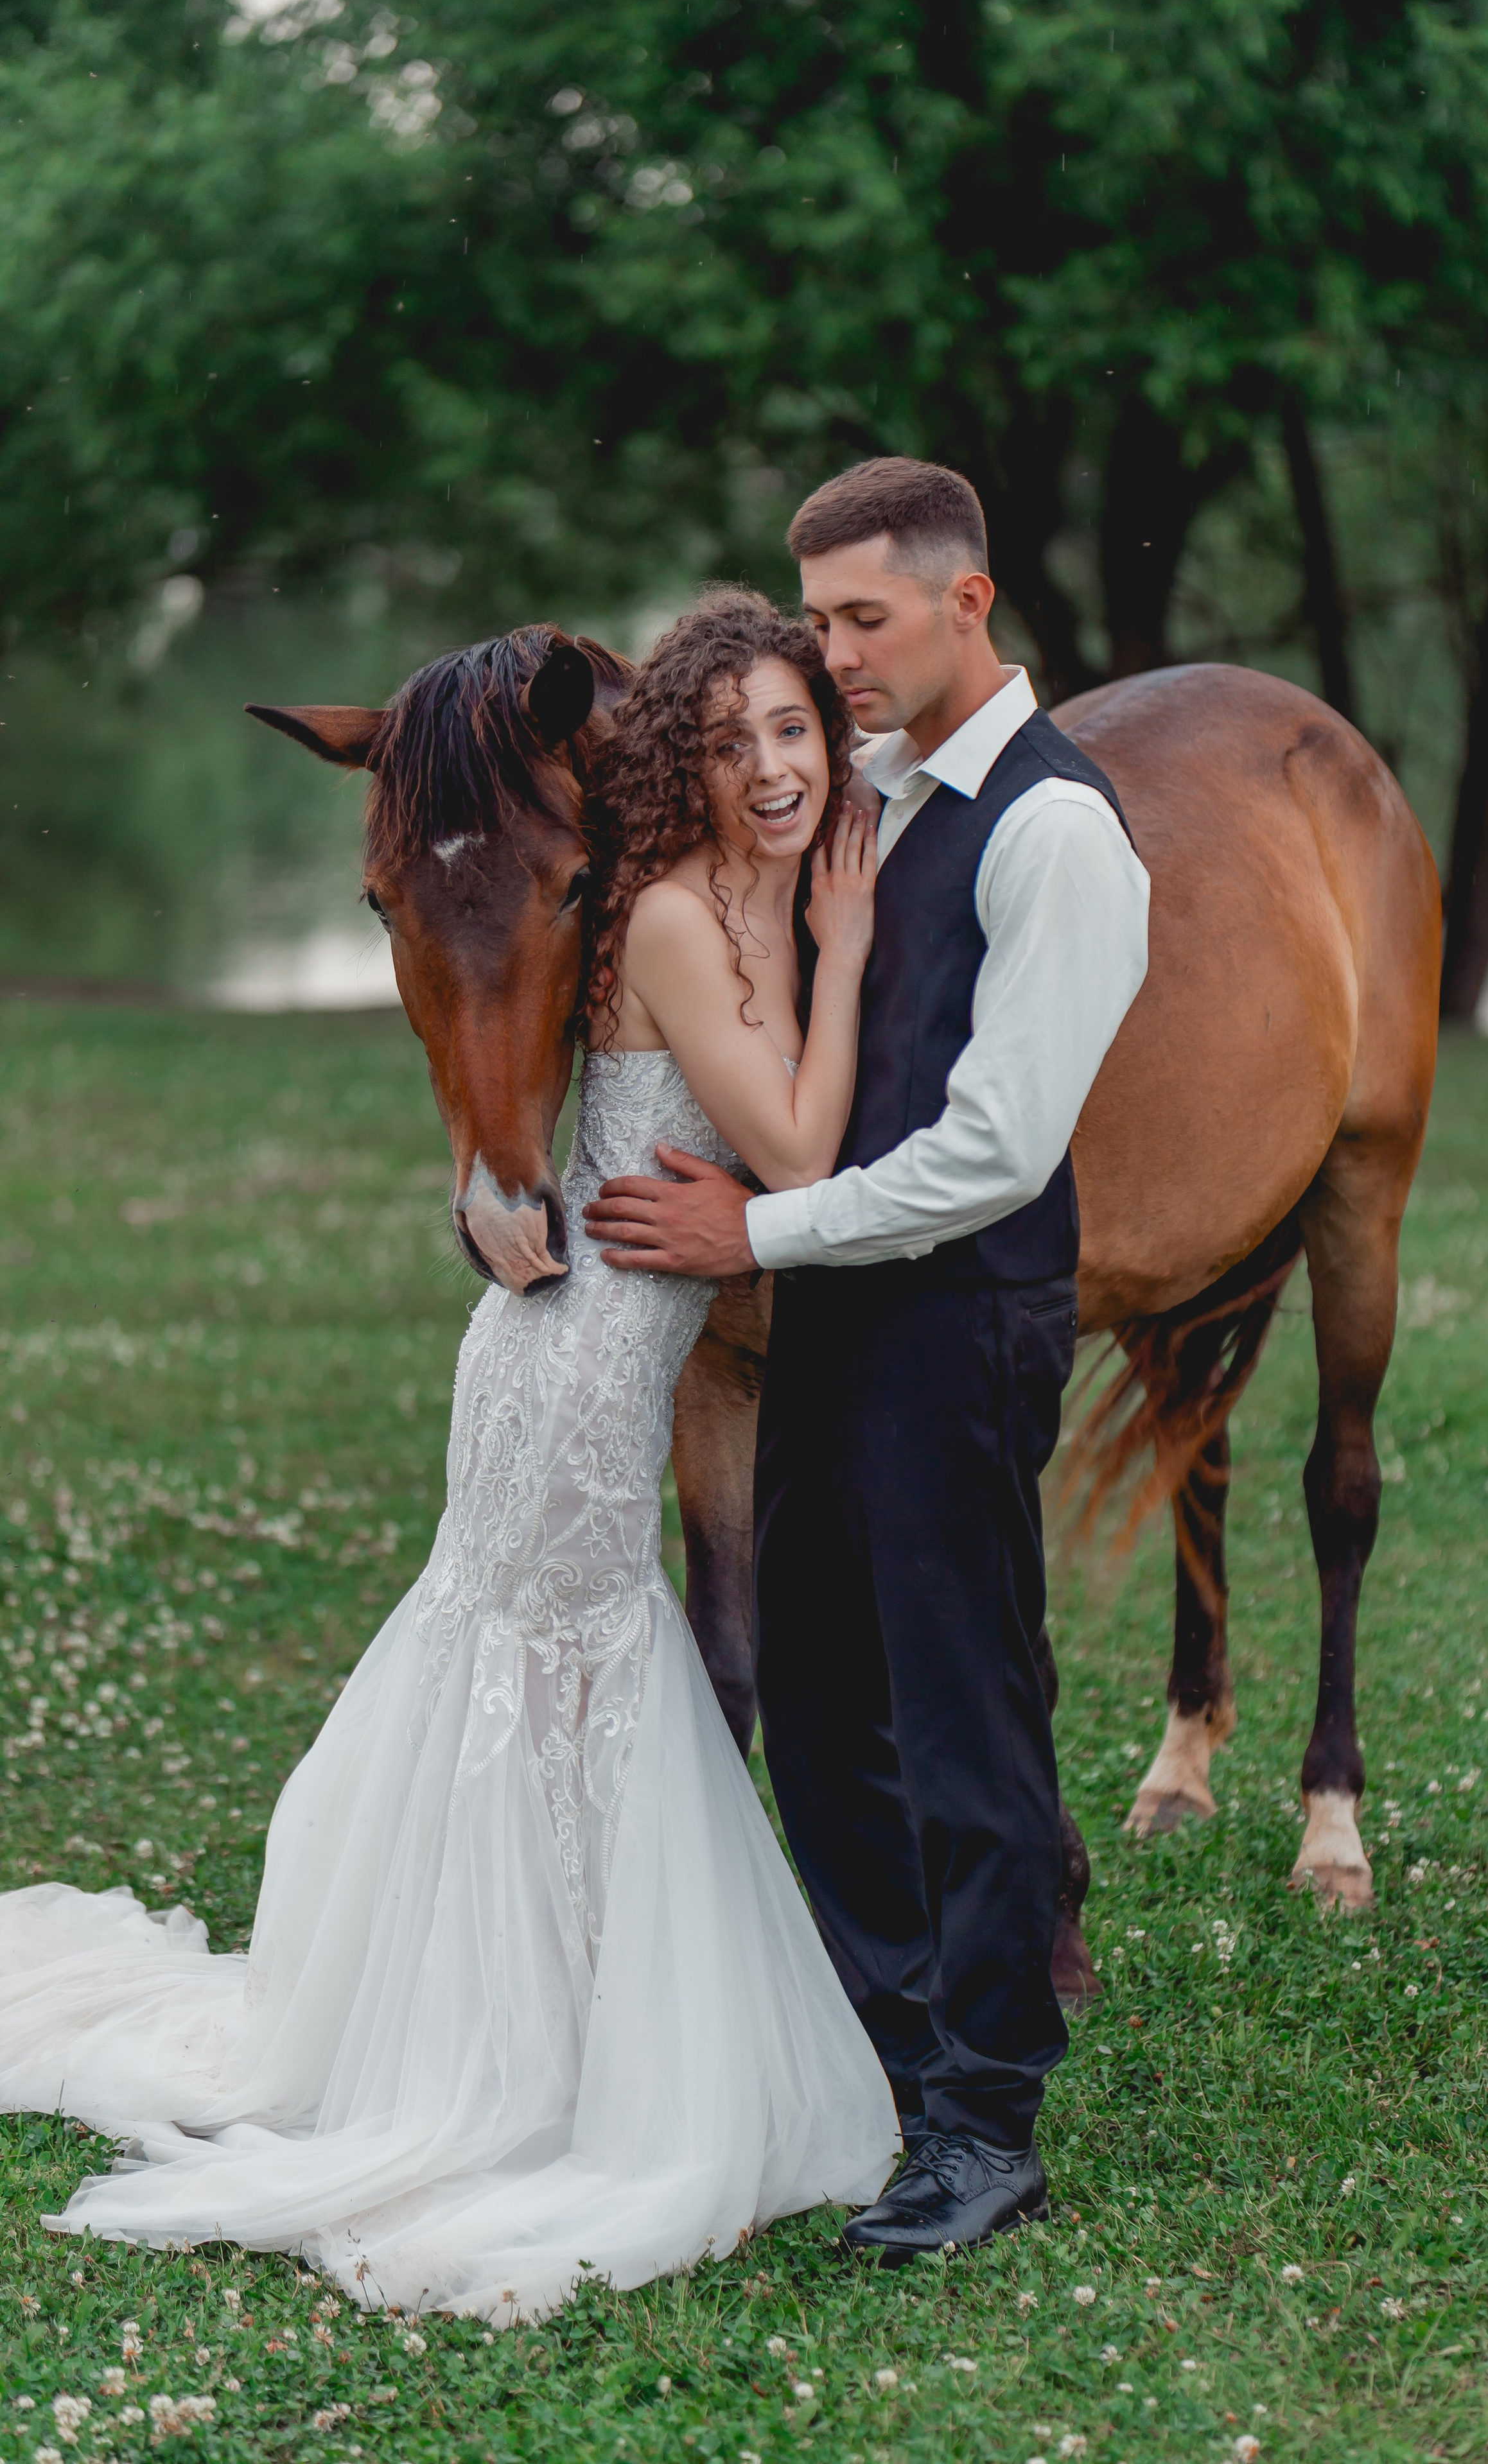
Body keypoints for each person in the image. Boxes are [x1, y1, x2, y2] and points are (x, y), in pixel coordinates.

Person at [0, 591, 897, 2321]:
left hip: (553, 1348)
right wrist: (847, 951)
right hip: (577, 1370)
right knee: (561, 1671)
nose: (762, 772)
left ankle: (498, 2016)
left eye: (786, 740)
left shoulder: (662, 905)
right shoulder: (675, 932)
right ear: (672, 771)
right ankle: (530, 2050)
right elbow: (793, 1139)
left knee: (526, 1674)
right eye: (727, 748)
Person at [585, 458, 1151, 2264]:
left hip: (963, 1319)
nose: (829, 656)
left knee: (963, 1711)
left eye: (861, 619)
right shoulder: (872, 799)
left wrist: (750, 1235)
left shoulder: (1058, 832)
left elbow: (994, 1146)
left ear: (969, 599)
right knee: (825, 1703)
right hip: (835, 1317)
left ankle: (989, 2118)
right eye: (813, 617)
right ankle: (894, 2056)